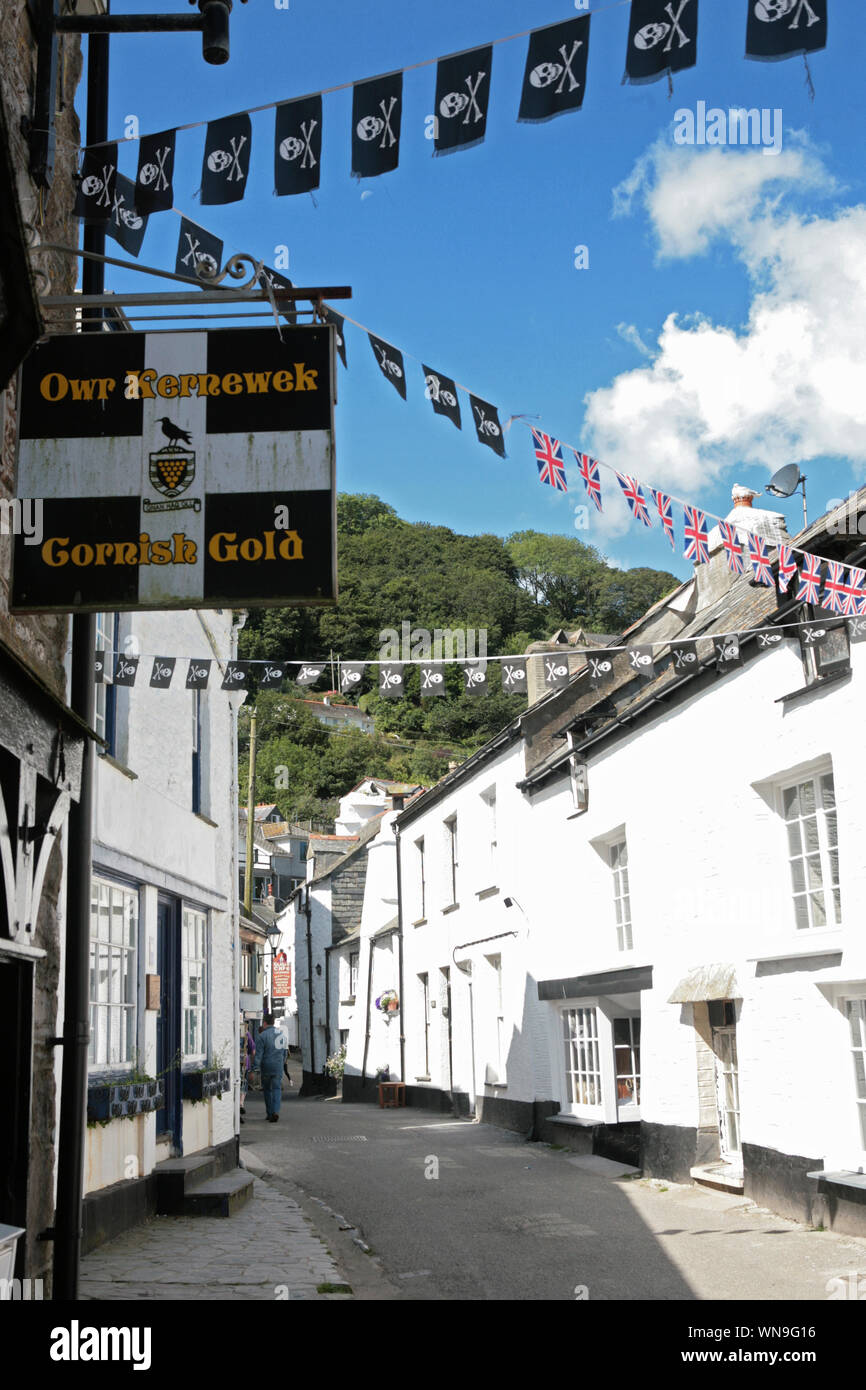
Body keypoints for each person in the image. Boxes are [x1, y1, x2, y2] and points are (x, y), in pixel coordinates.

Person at [253, 1013, 286, 1122]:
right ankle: (276, 1111)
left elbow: (259, 1055)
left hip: (266, 1066)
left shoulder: (262, 1036)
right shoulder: (281, 1034)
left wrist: (255, 1068)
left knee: (267, 1090)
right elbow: (284, 1053)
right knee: (277, 1089)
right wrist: (282, 1062)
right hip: (278, 1066)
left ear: (265, 1023)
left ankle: (270, 1113)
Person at [239, 1021, 255, 1123]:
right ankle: (241, 1103)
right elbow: (253, 1050)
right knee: (243, 1084)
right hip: (244, 1062)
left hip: (232, 1062)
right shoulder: (246, 1032)